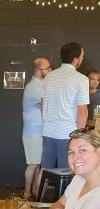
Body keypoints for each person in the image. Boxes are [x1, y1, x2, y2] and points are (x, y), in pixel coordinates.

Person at [17, 128, 100, 209]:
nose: (75, 157)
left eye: (82, 150)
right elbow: (57, 204)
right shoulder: (79, 179)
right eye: (71, 152)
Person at [36, 42, 90, 190]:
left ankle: (35, 203)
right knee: (70, 172)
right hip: (67, 134)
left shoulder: (49, 77)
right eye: (82, 56)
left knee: (44, 169)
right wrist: (80, 136)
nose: (82, 59)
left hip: (48, 131)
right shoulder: (81, 79)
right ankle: (65, 208)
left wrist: (49, 121)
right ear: (75, 59)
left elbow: (42, 104)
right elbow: (82, 111)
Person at [22, 58, 52, 199]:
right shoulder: (34, 87)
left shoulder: (40, 85)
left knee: (38, 166)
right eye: (48, 68)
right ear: (39, 71)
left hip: (39, 131)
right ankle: (27, 193)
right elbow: (44, 107)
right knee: (33, 165)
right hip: (33, 132)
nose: (50, 70)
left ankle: (35, 194)